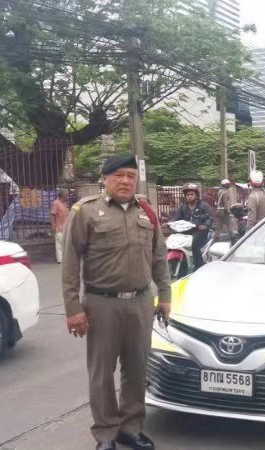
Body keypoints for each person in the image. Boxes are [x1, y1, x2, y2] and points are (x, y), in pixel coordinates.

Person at [61, 153, 171, 450]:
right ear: (105, 178)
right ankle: (106, 433)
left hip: (140, 303)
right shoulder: (85, 212)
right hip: (101, 304)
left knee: (136, 370)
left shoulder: (146, 211)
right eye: (119, 175)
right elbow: (70, 263)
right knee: (102, 374)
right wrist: (73, 308)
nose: (125, 181)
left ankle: (130, 428)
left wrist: (165, 296)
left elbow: (159, 257)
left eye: (130, 176)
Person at [173, 182, 212, 269]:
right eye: (187, 195)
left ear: (196, 195)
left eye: (191, 194)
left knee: (194, 244)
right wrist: (169, 223)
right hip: (187, 230)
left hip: (200, 231)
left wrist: (205, 225)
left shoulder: (203, 205)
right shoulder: (183, 206)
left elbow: (210, 218)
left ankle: (199, 265)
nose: (189, 196)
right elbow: (176, 217)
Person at [50, 188, 70, 263]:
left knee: (64, 243)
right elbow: (53, 215)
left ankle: (64, 258)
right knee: (59, 244)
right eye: (67, 195)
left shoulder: (64, 203)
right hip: (59, 227)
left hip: (65, 227)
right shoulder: (56, 203)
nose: (68, 196)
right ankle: (60, 259)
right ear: (63, 195)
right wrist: (53, 225)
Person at [214, 178, 237, 243]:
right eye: (228, 184)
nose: (229, 185)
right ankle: (233, 240)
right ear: (226, 185)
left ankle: (215, 240)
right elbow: (225, 203)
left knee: (218, 227)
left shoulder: (220, 191)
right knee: (229, 226)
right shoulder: (225, 192)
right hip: (224, 211)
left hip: (219, 210)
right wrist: (229, 211)